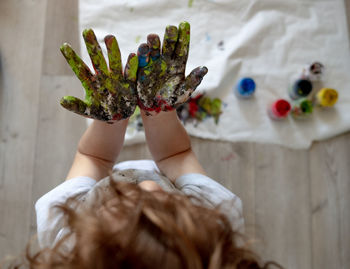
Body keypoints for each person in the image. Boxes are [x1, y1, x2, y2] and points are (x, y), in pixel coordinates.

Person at [15, 22, 282, 268]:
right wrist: (159, 110)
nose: (146, 184)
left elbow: (94, 157)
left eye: (124, 201)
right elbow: (175, 155)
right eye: (164, 201)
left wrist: (114, 118)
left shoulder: (66, 231)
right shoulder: (213, 220)